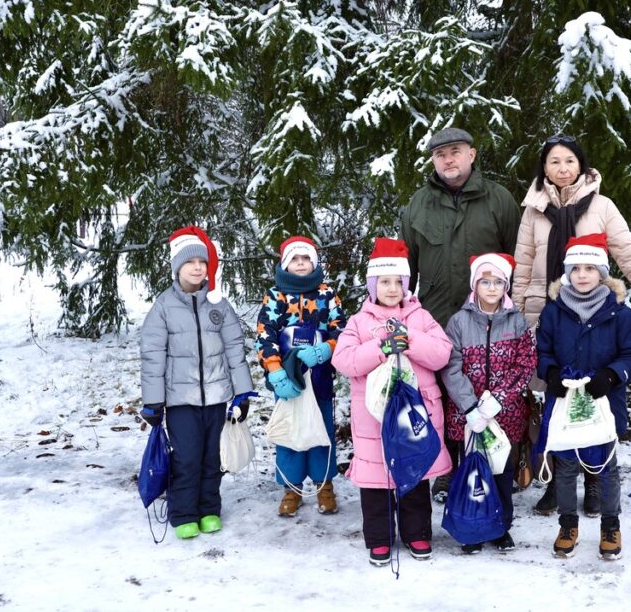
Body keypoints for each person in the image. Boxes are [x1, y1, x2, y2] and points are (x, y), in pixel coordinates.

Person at [512, 134, 631, 515]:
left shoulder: (602, 206)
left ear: (581, 165)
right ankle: (557, 482)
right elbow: (523, 267)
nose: (562, 168)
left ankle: (594, 482)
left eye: (569, 161)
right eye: (554, 161)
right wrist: (514, 317)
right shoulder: (532, 210)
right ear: (544, 168)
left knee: (595, 401)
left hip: (596, 317)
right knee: (554, 401)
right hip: (547, 316)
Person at [400, 126, 521, 503]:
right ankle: (447, 469)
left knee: (491, 389)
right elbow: (407, 268)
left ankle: (501, 463)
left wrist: (510, 313)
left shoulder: (498, 200)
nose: (448, 159)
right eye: (440, 154)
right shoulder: (418, 204)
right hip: (437, 317)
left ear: (471, 154)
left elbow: (518, 260)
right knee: (443, 392)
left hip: (489, 320)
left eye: (455, 151)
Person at [331, 237, 453, 566]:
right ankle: (380, 538)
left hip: (415, 414)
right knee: (376, 480)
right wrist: (382, 347)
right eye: (384, 282)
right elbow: (344, 360)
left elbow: (441, 354)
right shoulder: (360, 322)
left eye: (397, 282)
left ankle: (417, 533)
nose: (391, 288)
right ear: (373, 285)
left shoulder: (420, 317)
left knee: (413, 475)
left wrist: (409, 339)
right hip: (374, 417)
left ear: (406, 284)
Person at [140, 226, 255, 539]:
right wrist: (153, 401)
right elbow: (153, 355)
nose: (197, 267)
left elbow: (235, 350)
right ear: (177, 267)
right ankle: (184, 513)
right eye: (190, 262)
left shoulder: (219, 306)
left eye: (202, 263)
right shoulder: (164, 307)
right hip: (180, 400)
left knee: (212, 458)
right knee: (187, 457)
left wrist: (242, 392)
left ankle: (209, 510)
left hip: (217, 397)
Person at [536, 233, 631, 560]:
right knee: (565, 466)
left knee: (606, 466)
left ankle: (611, 525)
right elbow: (542, 351)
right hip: (566, 403)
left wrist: (612, 375)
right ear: (567, 273)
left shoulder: (621, 314)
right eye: (576, 268)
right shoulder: (554, 312)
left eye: (590, 268)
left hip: (604, 403)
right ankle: (568, 523)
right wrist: (550, 372)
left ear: (602, 273)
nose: (582, 274)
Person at [441, 253, 537, 553]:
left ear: (506, 286)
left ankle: (501, 527)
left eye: (498, 282)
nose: (492, 288)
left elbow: (525, 364)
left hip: (504, 416)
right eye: (486, 282)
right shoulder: (459, 321)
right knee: (471, 473)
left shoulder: (517, 321)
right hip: (466, 417)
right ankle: (471, 528)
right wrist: (470, 407)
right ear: (475, 285)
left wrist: (499, 399)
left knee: (501, 473)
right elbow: (450, 367)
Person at [255, 236, 347, 517]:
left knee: (321, 430)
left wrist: (326, 350)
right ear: (285, 264)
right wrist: (275, 369)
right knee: (290, 428)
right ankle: (291, 487)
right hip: (288, 376)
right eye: (295, 259)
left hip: (318, 376)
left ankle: (324, 484)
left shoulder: (327, 294)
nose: (301, 263)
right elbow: (264, 333)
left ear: (314, 262)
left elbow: (340, 328)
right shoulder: (275, 295)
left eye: (306, 258)